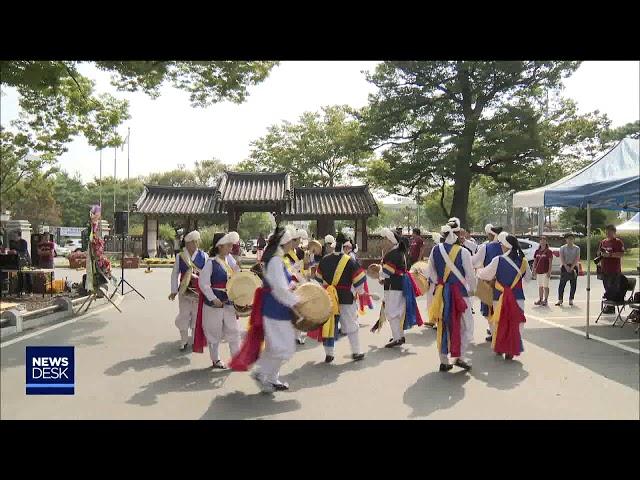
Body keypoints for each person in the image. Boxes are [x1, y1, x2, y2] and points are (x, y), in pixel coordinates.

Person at [230, 226, 305, 393]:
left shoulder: (276, 259)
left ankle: (267, 375)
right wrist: (297, 300)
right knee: (284, 347)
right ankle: (265, 376)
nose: (293, 244)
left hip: (274, 307)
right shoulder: (276, 261)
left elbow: (281, 284)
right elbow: (279, 288)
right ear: (286, 242)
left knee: (274, 346)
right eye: (292, 241)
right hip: (276, 308)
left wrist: (293, 285)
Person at [308, 233, 368, 363]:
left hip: (329, 299)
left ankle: (329, 354)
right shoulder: (350, 261)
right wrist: (360, 292)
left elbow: (318, 281)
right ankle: (356, 351)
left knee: (328, 326)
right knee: (351, 325)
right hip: (346, 298)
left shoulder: (324, 260)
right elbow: (359, 281)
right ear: (345, 245)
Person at [426, 219, 476, 372]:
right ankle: (459, 356)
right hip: (460, 294)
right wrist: (471, 290)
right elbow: (470, 276)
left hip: (441, 293)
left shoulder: (435, 250)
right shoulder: (463, 252)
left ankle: (443, 361)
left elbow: (431, 273)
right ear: (455, 235)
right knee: (466, 325)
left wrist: (440, 284)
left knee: (443, 325)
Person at [477, 233, 532, 360]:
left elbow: (485, 275)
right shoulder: (523, 261)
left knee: (499, 322)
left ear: (506, 246)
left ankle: (499, 346)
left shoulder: (498, 260)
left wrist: (478, 270)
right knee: (516, 323)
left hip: (499, 296)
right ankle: (511, 350)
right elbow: (528, 278)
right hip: (517, 297)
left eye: (502, 244)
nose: (501, 246)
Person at [195, 231, 242, 369]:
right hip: (214, 304)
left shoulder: (230, 260)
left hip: (229, 302)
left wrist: (238, 267)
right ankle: (215, 359)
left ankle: (236, 359)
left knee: (233, 330)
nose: (230, 247)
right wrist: (213, 298)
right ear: (219, 246)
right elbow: (203, 284)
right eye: (228, 245)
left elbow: (237, 276)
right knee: (214, 332)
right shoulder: (211, 263)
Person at [372, 227, 423, 347]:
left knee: (392, 312)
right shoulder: (399, 252)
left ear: (390, 240)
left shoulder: (393, 254)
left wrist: (379, 273)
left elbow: (387, 272)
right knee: (398, 311)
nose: (383, 242)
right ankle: (400, 336)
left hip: (394, 286)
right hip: (398, 284)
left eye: (385, 239)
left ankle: (397, 338)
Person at [168, 230, 208, 351]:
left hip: (198, 291)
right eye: (189, 243)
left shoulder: (204, 256)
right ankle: (183, 340)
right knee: (184, 315)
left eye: (194, 242)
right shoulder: (180, 256)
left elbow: (206, 275)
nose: (192, 245)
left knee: (196, 316)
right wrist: (174, 290)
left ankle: (194, 339)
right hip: (184, 291)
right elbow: (174, 274)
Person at [472, 224, 504, 341]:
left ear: (490, 234)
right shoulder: (505, 247)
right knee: (500, 308)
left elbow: (475, 261)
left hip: (488, 282)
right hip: (504, 284)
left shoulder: (485, 247)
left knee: (488, 309)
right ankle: (495, 330)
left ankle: (493, 332)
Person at [598, 225, 626, 312]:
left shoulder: (618, 242)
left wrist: (610, 254)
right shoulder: (603, 242)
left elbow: (621, 254)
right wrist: (600, 255)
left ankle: (611, 307)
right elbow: (599, 252)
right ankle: (609, 306)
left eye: (609, 232)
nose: (607, 234)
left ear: (614, 232)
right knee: (607, 288)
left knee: (612, 288)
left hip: (614, 270)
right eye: (606, 232)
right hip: (604, 269)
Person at [556, 233, 580, 306]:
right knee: (562, 284)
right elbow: (562, 258)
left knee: (573, 284)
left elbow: (577, 258)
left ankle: (571, 299)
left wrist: (572, 267)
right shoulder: (562, 248)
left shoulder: (577, 248)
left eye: (571, 239)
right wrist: (566, 266)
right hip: (564, 266)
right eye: (568, 239)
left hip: (574, 267)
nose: (570, 240)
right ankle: (560, 299)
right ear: (566, 239)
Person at [533, 236, 553, 306]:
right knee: (540, 286)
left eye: (544, 240)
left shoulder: (549, 251)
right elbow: (535, 261)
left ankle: (546, 300)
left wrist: (549, 272)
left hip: (545, 271)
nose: (542, 241)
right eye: (541, 240)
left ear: (546, 242)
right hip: (539, 271)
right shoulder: (537, 251)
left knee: (545, 286)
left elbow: (550, 262)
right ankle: (540, 299)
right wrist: (534, 270)